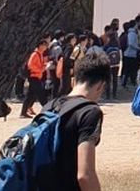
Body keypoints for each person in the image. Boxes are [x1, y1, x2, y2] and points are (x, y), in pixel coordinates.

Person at [44, 51, 111, 191]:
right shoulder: (90, 112)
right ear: (101, 86)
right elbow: (85, 175)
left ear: (74, 80)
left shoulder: (50, 106)